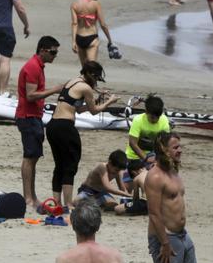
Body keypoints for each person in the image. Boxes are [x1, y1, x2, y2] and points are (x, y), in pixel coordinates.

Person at [129, 133, 204, 263]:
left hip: (183, 236)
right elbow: (154, 213)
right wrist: (163, 243)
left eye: (180, 146)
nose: (179, 150)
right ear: (163, 149)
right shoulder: (155, 177)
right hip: (166, 238)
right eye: (175, 147)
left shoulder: (174, 172)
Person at [47, 62, 119, 208]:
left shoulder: (72, 82)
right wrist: (110, 101)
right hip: (65, 127)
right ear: (91, 75)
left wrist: (97, 100)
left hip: (52, 125)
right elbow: (94, 111)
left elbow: (78, 109)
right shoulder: (86, 88)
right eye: (96, 78)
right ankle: (68, 204)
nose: (96, 82)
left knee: (59, 165)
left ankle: (57, 203)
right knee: (71, 165)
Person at [16, 37, 64, 212]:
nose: (54, 55)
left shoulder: (38, 66)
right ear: (42, 50)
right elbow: (30, 95)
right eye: (53, 52)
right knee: (30, 157)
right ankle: (28, 197)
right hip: (27, 116)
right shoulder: (33, 67)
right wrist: (55, 89)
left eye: (56, 52)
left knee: (34, 157)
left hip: (34, 116)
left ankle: (31, 196)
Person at [70, 0, 114, 66]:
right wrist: (109, 40)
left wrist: (73, 42)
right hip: (92, 38)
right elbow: (103, 24)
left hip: (79, 38)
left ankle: (84, 79)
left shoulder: (74, 5)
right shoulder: (96, 4)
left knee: (84, 69)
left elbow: (74, 24)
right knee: (92, 67)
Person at [125, 95, 169, 173]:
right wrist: (145, 158)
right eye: (152, 117)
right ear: (146, 111)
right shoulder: (138, 120)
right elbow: (132, 143)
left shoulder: (164, 121)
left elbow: (165, 144)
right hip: (133, 156)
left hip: (152, 155)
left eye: (157, 117)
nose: (155, 120)